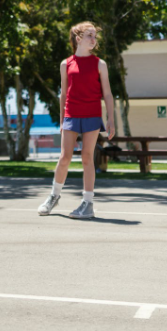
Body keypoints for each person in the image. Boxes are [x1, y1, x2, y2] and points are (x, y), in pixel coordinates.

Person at [38, 21, 117, 218]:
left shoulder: (100, 64)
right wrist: (62, 120)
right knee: (64, 157)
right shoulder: (66, 64)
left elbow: (107, 94)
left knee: (87, 158)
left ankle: (88, 204)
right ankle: (54, 197)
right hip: (71, 115)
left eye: (95, 36)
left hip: (92, 115)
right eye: (89, 35)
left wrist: (111, 119)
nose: (94, 39)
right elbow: (63, 95)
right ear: (78, 38)